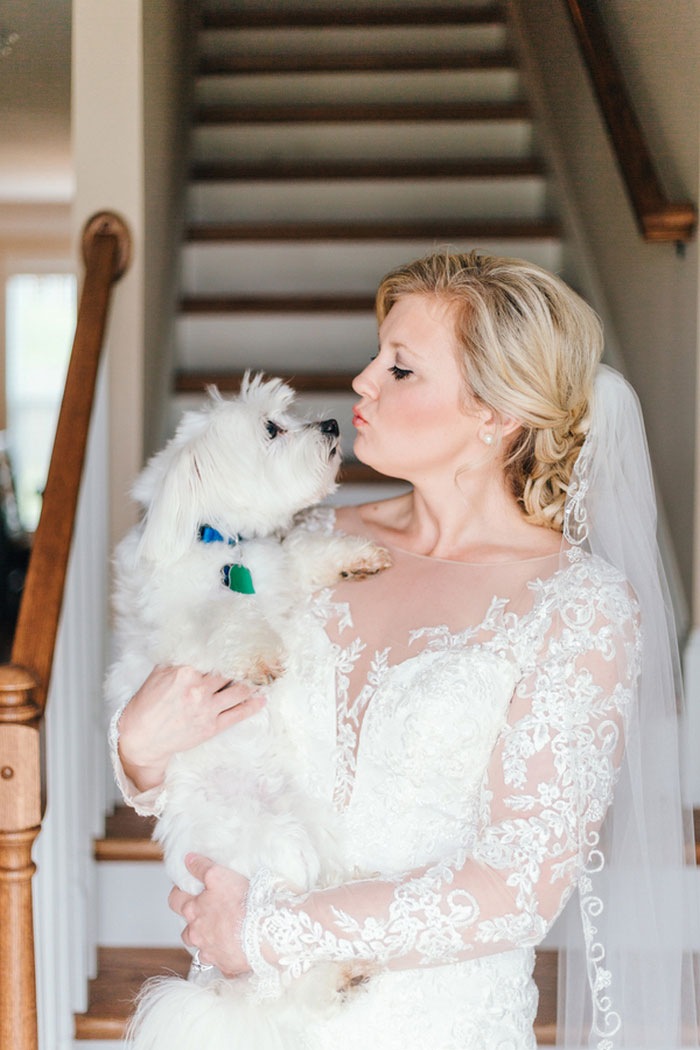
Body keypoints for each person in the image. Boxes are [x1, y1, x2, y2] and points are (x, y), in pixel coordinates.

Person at [112, 250, 699, 1049]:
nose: (361, 381)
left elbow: (515, 887)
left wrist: (263, 932)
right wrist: (137, 748)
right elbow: (207, 736)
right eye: (375, 355)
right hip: (242, 1021)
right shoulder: (304, 543)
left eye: (401, 368)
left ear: (497, 412)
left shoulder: (578, 608)